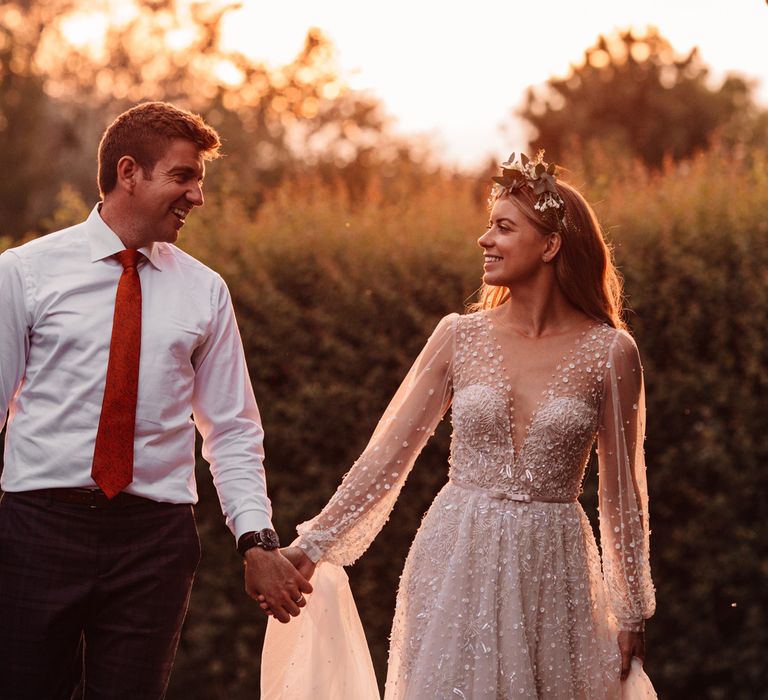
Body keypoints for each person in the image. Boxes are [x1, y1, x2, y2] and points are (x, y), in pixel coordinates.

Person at [265, 152, 656, 698]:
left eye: (503, 227)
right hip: (456, 557)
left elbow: (621, 493)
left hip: (555, 568)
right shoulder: (459, 336)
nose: (483, 239)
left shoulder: (611, 352)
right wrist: (314, 544)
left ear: (550, 245)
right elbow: (386, 456)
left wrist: (631, 607)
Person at [0, 101, 311, 700]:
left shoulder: (205, 292)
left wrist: (257, 539)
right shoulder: (25, 273)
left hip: (154, 542)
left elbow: (232, 429)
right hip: (37, 530)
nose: (197, 196)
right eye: (183, 177)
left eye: (198, 181)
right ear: (128, 173)